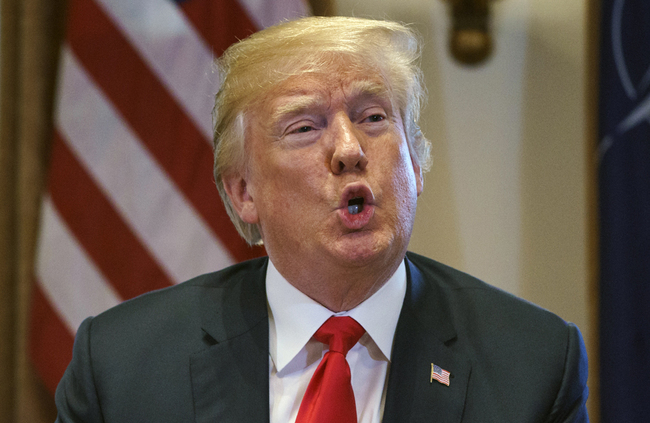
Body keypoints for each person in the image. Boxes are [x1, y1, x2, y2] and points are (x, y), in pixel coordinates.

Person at [54, 16, 589, 422]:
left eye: (373, 117)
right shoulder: (123, 368)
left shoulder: (535, 366)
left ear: (417, 163)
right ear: (244, 193)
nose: (349, 149)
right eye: (305, 127)